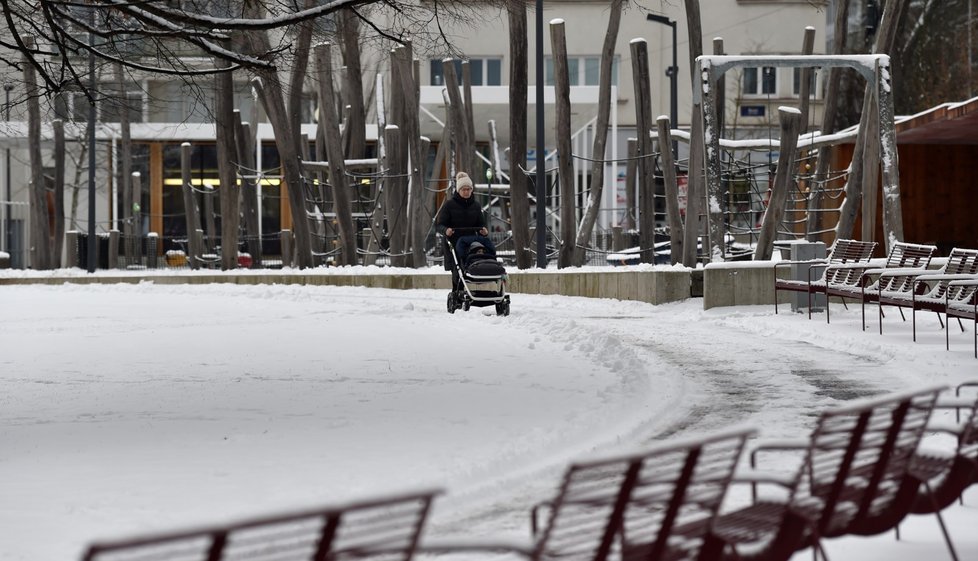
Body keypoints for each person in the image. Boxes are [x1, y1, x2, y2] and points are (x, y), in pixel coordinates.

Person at [436, 171, 496, 287]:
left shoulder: (476, 206)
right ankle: (457, 290)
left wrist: (484, 231)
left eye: (469, 189)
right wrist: (446, 230)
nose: (466, 192)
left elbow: (481, 224)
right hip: (454, 242)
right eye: (464, 189)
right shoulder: (449, 205)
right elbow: (440, 225)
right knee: (458, 269)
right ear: (458, 190)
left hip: (471, 242)